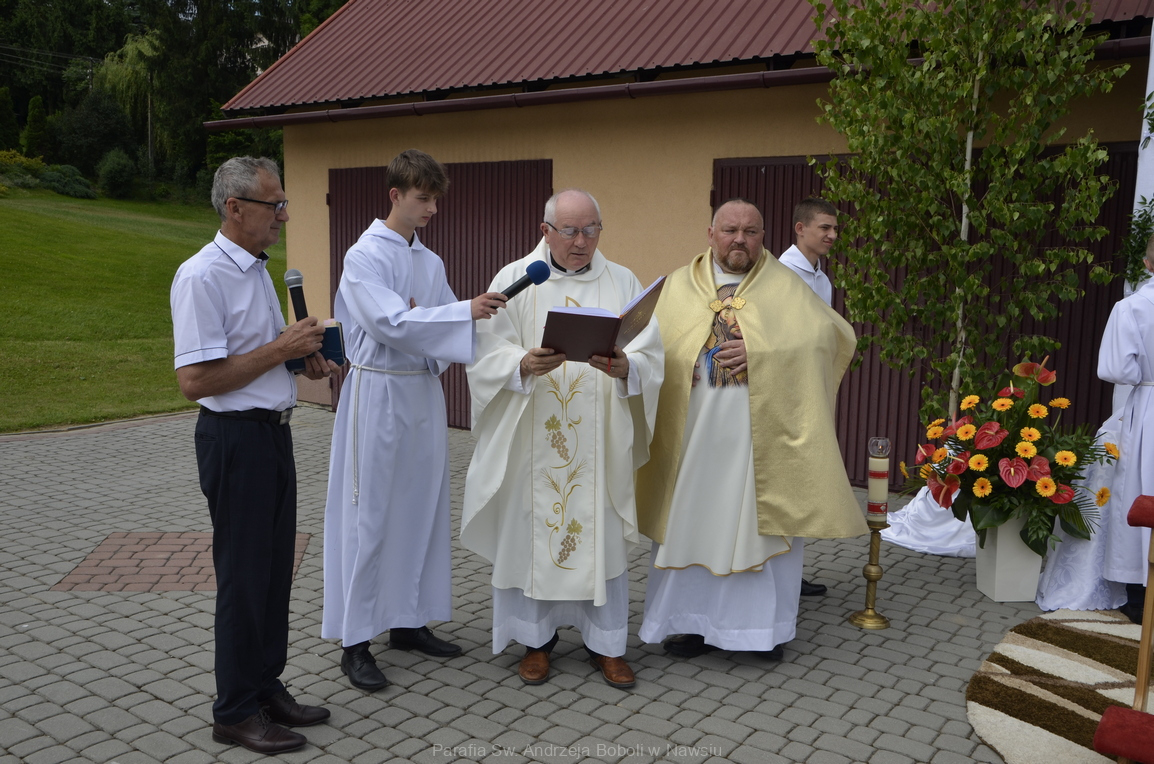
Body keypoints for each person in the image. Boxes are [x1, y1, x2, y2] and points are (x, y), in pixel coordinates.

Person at [635, 198, 867, 659]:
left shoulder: (786, 285)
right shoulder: (678, 285)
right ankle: (691, 626)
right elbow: (645, 344)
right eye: (730, 230)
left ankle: (758, 634)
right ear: (710, 233)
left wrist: (761, 354)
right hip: (695, 435)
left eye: (751, 231)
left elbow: (828, 340)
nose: (740, 239)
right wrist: (681, 363)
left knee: (757, 530)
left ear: (764, 236)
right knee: (691, 522)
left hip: (759, 437)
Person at [461, 189, 663, 688]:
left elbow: (651, 353)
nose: (581, 241)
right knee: (534, 529)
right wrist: (521, 364)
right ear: (546, 229)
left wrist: (627, 368)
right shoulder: (516, 280)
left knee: (601, 535)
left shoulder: (623, 280)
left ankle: (608, 644)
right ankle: (535, 641)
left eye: (591, 229)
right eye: (570, 230)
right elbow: (484, 353)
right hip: (535, 435)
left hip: (600, 438)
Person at [170, 156, 339, 754]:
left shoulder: (257, 270)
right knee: (243, 580)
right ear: (234, 208)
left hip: (273, 433)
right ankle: (233, 710)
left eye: (285, 203)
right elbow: (196, 380)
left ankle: (266, 686)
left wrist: (303, 359)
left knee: (272, 575)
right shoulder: (202, 277)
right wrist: (280, 349)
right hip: (234, 441)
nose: (285, 216)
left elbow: (258, 356)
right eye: (275, 205)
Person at [322, 149, 506, 691]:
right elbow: (388, 322)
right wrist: (457, 313)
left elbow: (450, 327)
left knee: (420, 507)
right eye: (422, 198)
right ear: (395, 195)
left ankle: (406, 621)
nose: (430, 209)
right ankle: (355, 641)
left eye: (435, 200)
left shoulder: (429, 261)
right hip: (375, 393)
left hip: (421, 393)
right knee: (370, 513)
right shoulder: (364, 256)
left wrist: (481, 324)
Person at [777, 196, 842, 597]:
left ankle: (790, 572)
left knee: (801, 484)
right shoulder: (781, 276)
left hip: (810, 393)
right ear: (800, 229)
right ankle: (778, 571)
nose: (833, 235)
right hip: (783, 397)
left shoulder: (822, 279)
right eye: (825, 228)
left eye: (835, 229)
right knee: (785, 483)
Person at [1097, 234, 1154, 625]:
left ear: (1149, 263)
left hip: (1150, 407)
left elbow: (1115, 369)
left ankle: (1140, 597)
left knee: (1141, 490)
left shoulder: (1133, 307)